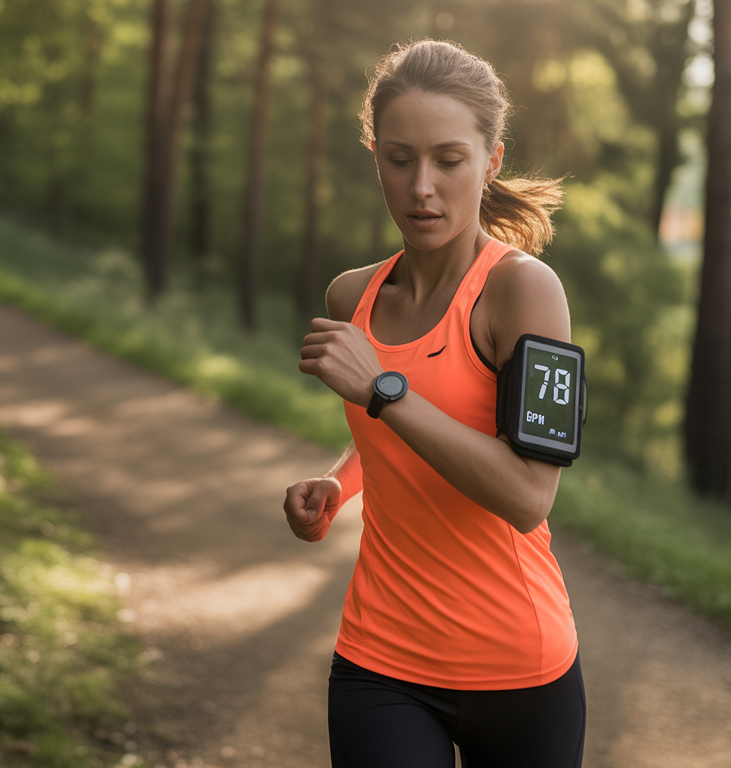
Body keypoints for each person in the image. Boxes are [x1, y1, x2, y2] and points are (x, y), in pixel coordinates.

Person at [284, 39, 585, 767]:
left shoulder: (524, 292)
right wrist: (339, 481)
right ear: (376, 157)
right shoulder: (352, 296)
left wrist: (384, 391)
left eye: (449, 160)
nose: (422, 187)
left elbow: (527, 493)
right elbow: (400, 434)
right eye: (399, 158)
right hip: (379, 657)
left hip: (519, 670)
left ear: (492, 160)